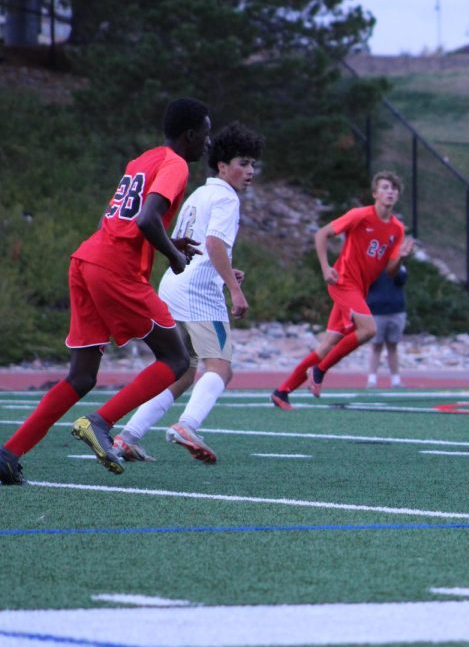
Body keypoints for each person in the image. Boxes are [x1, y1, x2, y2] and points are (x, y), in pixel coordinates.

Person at [0, 98, 212, 484]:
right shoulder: (176, 165)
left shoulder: (142, 160)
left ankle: (9, 453)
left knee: (81, 377)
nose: (208, 145)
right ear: (191, 134)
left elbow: (116, 218)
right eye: (206, 135)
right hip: (115, 267)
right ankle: (101, 422)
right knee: (178, 359)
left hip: (86, 259)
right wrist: (175, 258)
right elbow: (147, 219)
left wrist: (169, 241)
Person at [112, 122, 266, 464]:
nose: (250, 170)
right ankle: (187, 426)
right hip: (199, 292)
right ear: (222, 165)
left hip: (175, 282)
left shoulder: (201, 193)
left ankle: (128, 436)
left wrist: (223, 269)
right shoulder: (226, 197)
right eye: (243, 162)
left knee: (182, 368)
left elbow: (202, 245)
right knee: (221, 367)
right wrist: (235, 289)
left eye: (253, 164)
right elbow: (213, 243)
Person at [270, 172, 412, 409]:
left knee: (327, 345)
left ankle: (282, 391)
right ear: (375, 193)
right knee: (368, 329)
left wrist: (400, 258)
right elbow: (321, 234)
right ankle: (320, 369)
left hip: (359, 289)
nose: (390, 192)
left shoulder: (397, 229)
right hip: (343, 281)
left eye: (394, 189)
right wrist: (326, 267)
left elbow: (390, 271)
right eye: (385, 187)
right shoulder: (360, 215)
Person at [365, 261, 408, 389]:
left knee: (393, 346)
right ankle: (372, 380)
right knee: (376, 345)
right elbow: (366, 282)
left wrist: (394, 266)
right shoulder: (371, 264)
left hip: (396, 310)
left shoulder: (399, 264)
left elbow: (402, 280)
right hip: (376, 311)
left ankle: (396, 380)